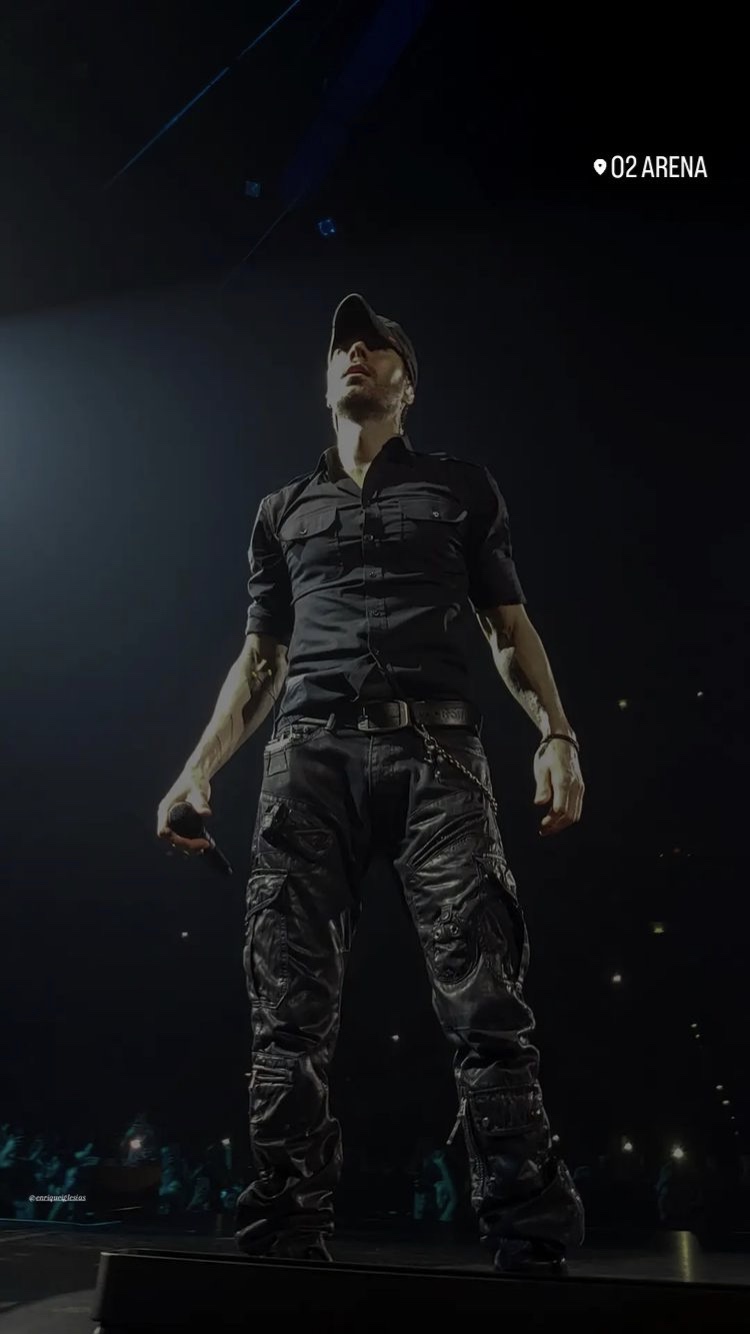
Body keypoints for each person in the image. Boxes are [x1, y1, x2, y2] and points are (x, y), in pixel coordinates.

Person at [156, 293, 585, 1277]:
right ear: (325, 383)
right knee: (287, 1012)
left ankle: (530, 1241)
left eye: (376, 344)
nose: (356, 351)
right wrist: (195, 769)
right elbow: (260, 660)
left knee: (486, 1000)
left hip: (439, 760)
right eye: (343, 346)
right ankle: (286, 1235)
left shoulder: (460, 487)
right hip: (307, 763)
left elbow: (507, 627)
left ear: (406, 383)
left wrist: (558, 734)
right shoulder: (281, 511)